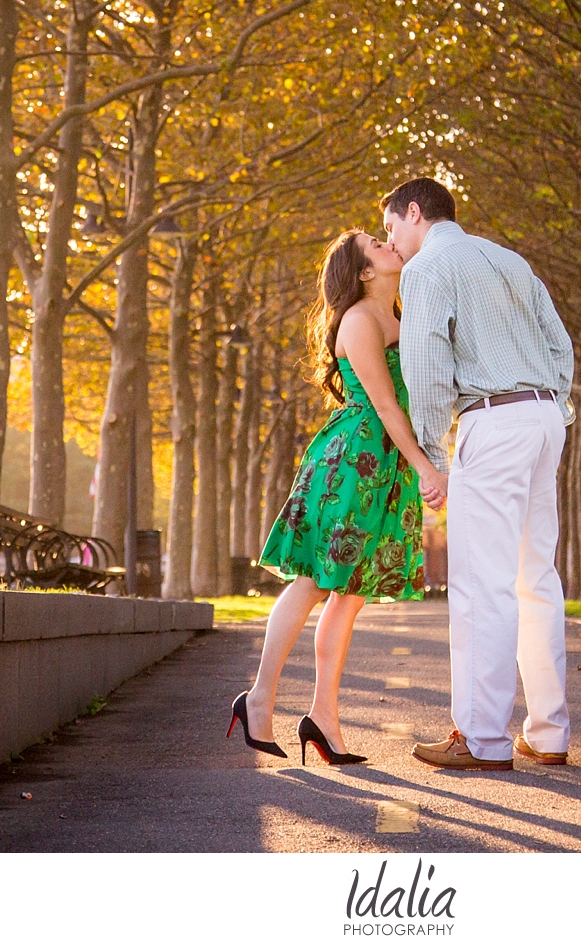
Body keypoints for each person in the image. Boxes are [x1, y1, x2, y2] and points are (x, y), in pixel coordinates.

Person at [227, 228, 447, 767]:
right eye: (376, 243)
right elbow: (387, 407)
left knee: (350, 593)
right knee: (314, 582)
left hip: (382, 464)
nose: (389, 242)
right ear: (365, 271)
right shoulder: (360, 320)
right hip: (355, 460)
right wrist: (425, 467)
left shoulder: (397, 315)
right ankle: (259, 699)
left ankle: (323, 717)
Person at [382, 177, 574, 772]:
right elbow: (560, 346)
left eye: (390, 227)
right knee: (535, 578)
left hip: (490, 421)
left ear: (415, 213)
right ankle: (548, 733)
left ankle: (482, 738)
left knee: (479, 586)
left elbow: (427, 369)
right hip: (544, 417)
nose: (391, 241)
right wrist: (553, 409)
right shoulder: (510, 260)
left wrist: (434, 461)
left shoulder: (427, 270)